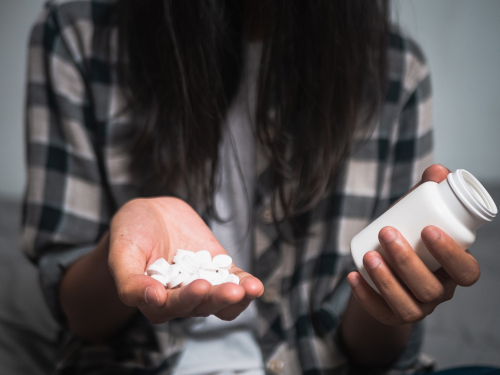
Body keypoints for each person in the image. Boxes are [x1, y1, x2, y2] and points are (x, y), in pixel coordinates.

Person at [22, 0, 482, 374]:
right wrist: (120, 246)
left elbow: (373, 355)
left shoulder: (395, 70)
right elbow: (81, 318)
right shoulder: (77, 35)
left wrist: (389, 295)